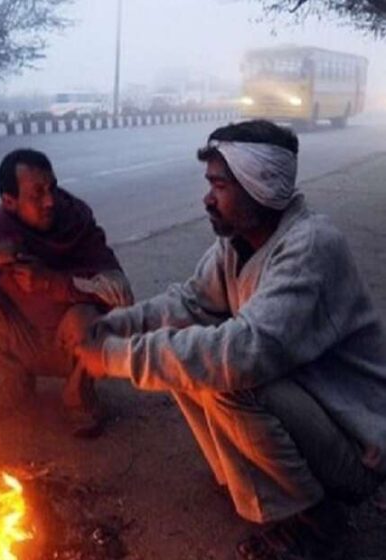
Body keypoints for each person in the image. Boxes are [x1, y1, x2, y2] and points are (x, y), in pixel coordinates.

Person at [73, 120, 386, 559]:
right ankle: (246, 479)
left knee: (226, 375)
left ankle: (315, 521)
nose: (208, 198)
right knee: (185, 344)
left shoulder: (312, 246)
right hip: (311, 411)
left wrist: (113, 359)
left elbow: (242, 353)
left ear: (259, 187)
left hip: (357, 448)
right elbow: (189, 303)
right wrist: (117, 326)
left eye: (219, 185)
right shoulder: (238, 243)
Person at [0, 148, 133, 424]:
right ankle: (16, 380)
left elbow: (122, 294)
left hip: (70, 343)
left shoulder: (76, 223)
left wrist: (53, 282)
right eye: (36, 194)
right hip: (22, 338)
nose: (50, 201)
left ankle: (78, 393)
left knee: (88, 317)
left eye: (51, 188)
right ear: (9, 201)